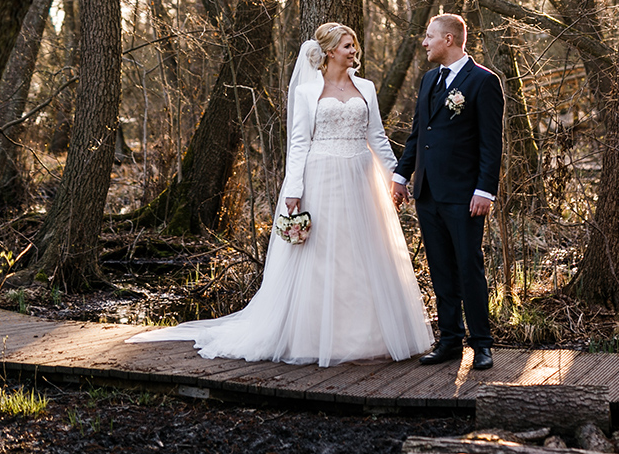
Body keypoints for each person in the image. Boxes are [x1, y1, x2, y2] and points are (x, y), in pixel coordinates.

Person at [129, 23, 434, 366]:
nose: (354, 51)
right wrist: (294, 190)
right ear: (330, 51)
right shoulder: (307, 93)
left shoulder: (367, 87)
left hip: (362, 177)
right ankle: (313, 336)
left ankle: (369, 336)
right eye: (348, 46)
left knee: (365, 252)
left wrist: (396, 177)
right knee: (322, 254)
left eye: (354, 46)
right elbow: (299, 143)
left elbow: (376, 136)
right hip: (322, 177)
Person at [391, 14, 504, 371]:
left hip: (464, 194)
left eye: (429, 37)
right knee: (440, 269)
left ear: (450, 39)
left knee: (469, 268)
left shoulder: (483, 82)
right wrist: (401, 175)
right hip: (427, 193)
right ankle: (450, 341)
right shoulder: (428, 80)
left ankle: (482, 344)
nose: (424, 43)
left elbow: (491, 143)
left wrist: (485, 190)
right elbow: (417, 135)